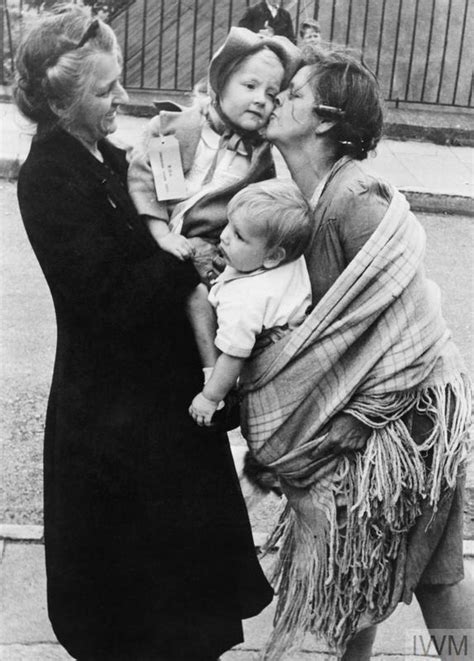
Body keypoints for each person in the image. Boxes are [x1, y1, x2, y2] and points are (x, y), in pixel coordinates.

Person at [13, 6, 273, 660]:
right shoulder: (48, 175)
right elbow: (108, 299)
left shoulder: (108, 153)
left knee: (188, 612)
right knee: (130, 620)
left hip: (160, 414)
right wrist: (182, 253)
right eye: (105, 91)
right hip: (111, 428)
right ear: (63, 98)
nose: (121, 98)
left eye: (117, 81)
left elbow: (180, 208)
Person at [240, 48, 473, 660]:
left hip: (412, 421)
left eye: (291, 93)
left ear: (323, 120)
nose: (275, 100)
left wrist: (349, 422)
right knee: (360, 570)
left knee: (433, 578)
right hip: (389, 418)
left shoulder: (354, 198)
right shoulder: (312, 195)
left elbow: (411, 326)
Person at [128, 27, 301, 286]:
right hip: (152, 237)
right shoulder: (175, 129)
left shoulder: (259, 159)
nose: (260, 100)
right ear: (220, 83)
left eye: (271, 94)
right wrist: (162, 234)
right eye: (250, 86)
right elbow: (146, 185)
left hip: (208, 258)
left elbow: (255, 217)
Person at [188, 179, 312, 426]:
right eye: (228, 225)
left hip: (268, 366)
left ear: (273, 256)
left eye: (238, 236)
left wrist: (210, 398)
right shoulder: (290, 260)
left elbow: (233, 356)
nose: (224, 236)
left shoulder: (244, 300)